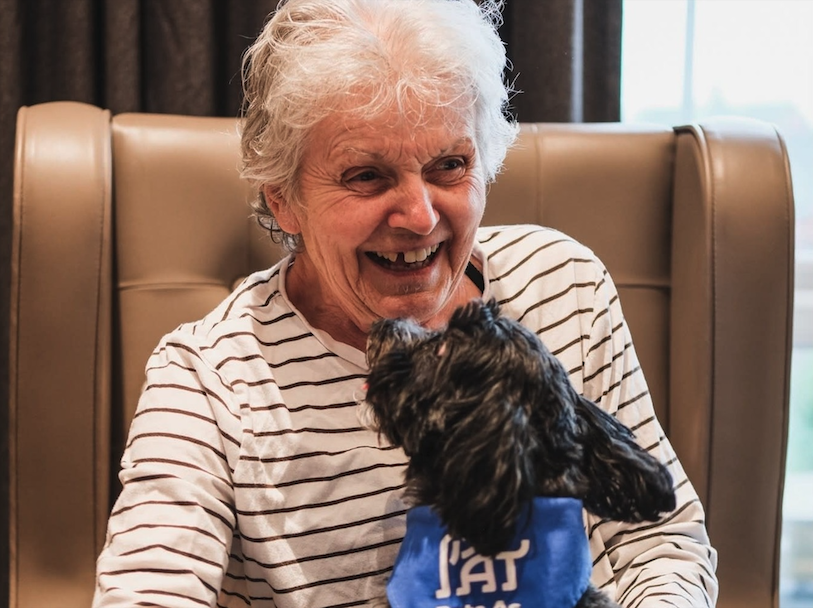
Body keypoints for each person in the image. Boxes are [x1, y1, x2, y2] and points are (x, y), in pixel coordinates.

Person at [92, 0, 718, 606]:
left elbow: (657, 541)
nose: (420, 217)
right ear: (282, 198)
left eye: (449, 165)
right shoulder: (207, 378)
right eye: (366, 176)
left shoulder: (563, 284)